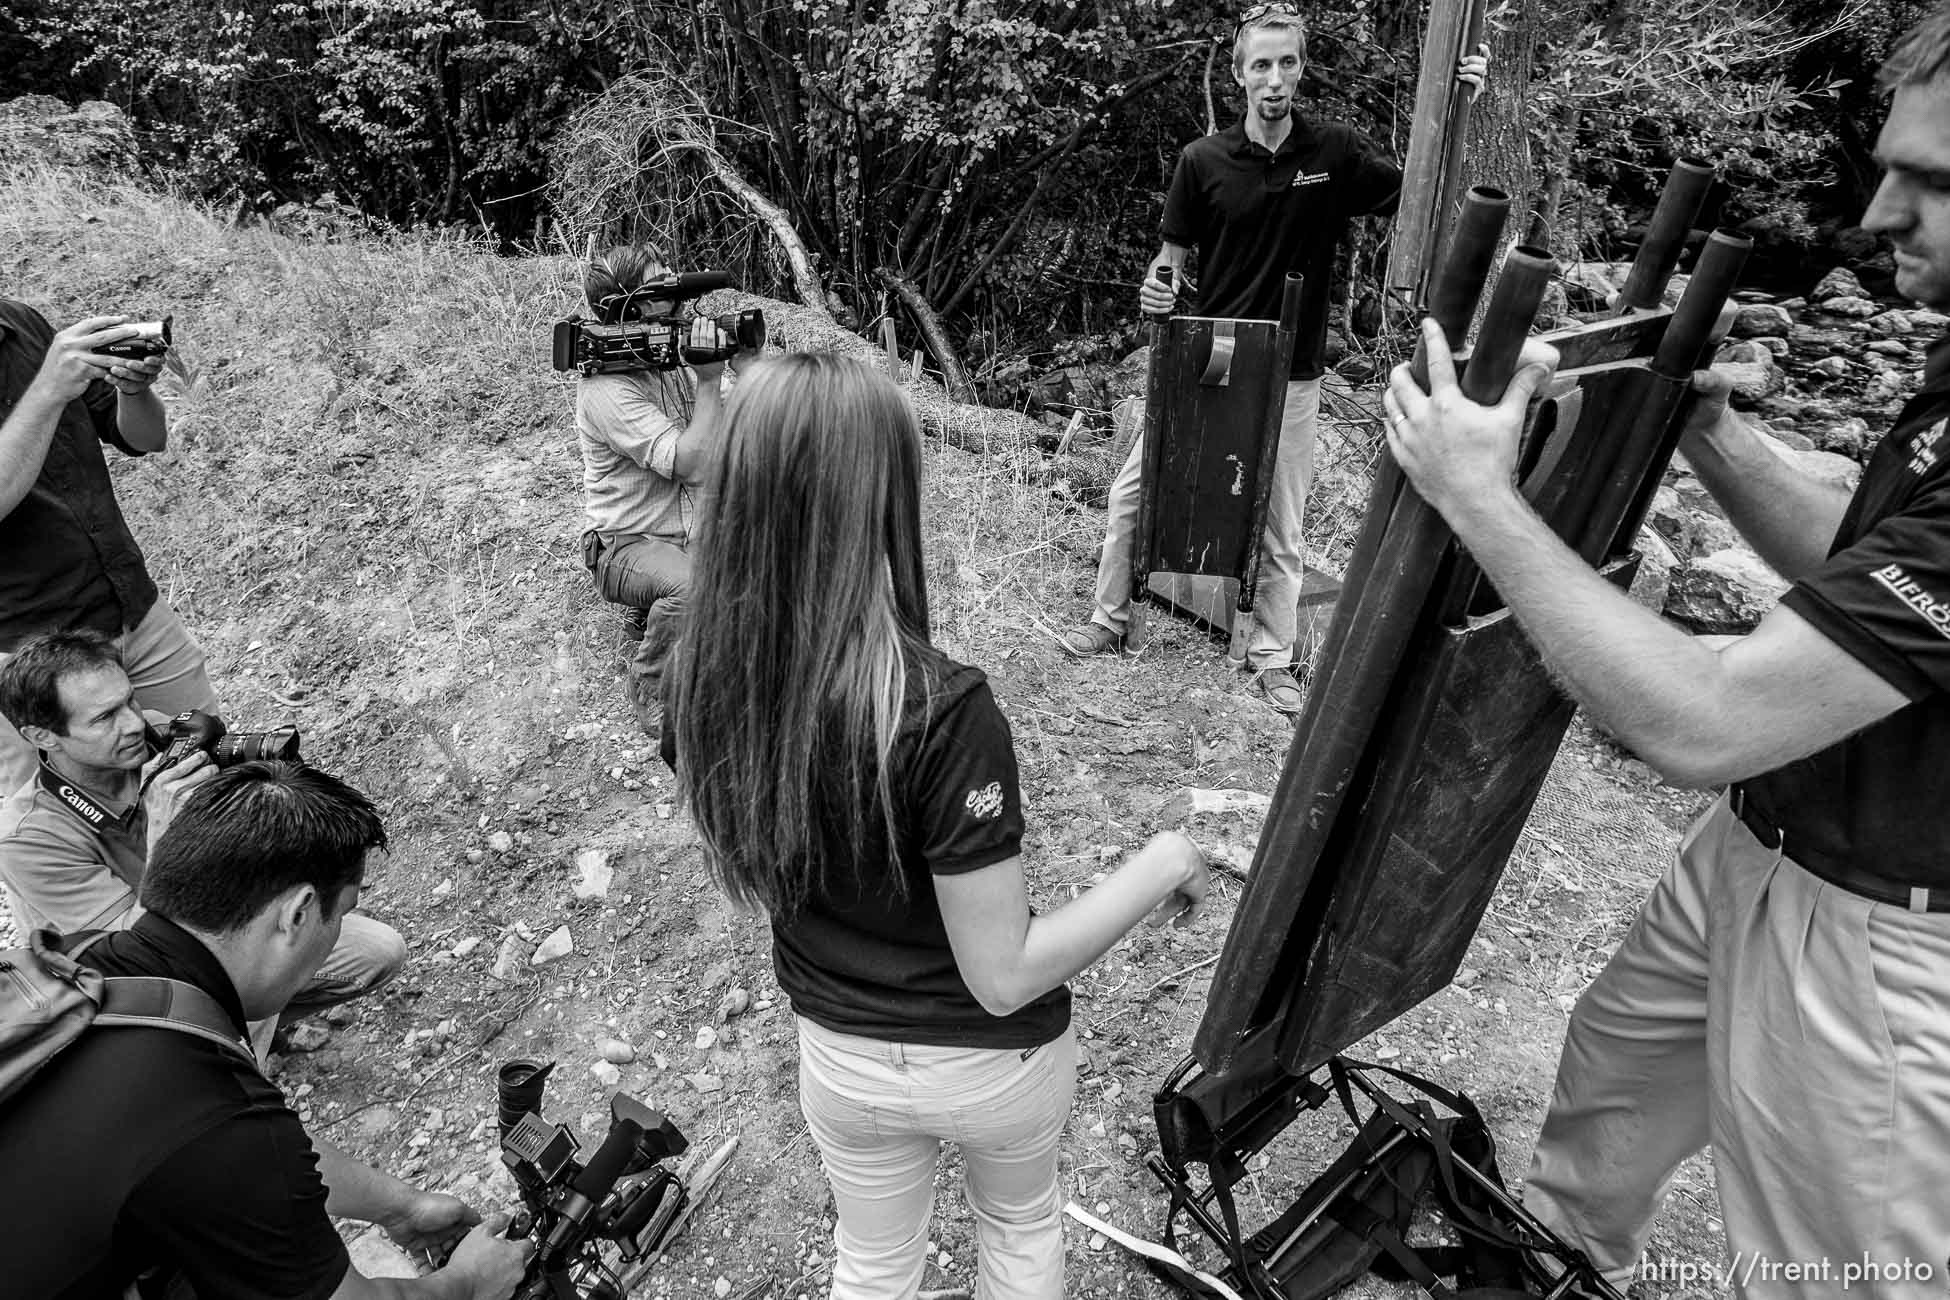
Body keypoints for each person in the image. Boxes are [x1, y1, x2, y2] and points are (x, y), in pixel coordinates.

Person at [1378, 8, 1950, 1293]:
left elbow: (1707, 720)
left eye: (1937, 183)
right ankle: (1544, 1269)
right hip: (1767, 846)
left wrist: (1482, 499)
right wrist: (1712, 438)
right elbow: (1859, 564)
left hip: (1890, 934)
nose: (1883, 213)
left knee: (1831, 1266)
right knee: (1608, 1098)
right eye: (1895, 166)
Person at [664, 353, 1212, 1299]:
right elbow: (1003, 978)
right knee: (1020, 1227)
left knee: (872, 1266)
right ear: (878, 501)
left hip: (838, 1056)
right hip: (993, 1068)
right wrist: (1163, 861)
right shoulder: (942, 711)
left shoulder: (699, 678)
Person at [1059, 5, 1486, 715]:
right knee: (1133, 495)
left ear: (1301, 68)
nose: (1275, 77)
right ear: (1239, 75)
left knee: (1282, 522)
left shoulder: (1333, 155)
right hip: (1212, 362)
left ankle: (1272, 660)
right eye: (1262, 64)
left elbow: (1425, 197)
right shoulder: (1203, 162)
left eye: (1287, 62)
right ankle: (1108, 621)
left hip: (1293, 372)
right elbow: (1165, 270)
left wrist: (1462, 100)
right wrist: (1156, 296)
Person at [0, 760, 532, 1299]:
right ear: (298, 913)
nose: (338, 933)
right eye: (341, 913)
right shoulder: (209, 1107)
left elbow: (234, 1161)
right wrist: (469, 1281)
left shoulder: (82, 964)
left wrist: (400, 1206)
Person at [0, 629, 406, 1046]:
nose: (134, 723)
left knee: (376, 953)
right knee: (233, 988)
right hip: (135, 983)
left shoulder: (159, 737)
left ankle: (248, 1024)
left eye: (129, 700)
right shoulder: (27, 838)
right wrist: (161, 829)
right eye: (105, 718)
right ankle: (211, 1049)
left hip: (222, 921)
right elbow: (135, 954)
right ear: (41, 736)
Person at [0, 299, 219, 794]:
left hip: (131, 610)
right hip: (27, 657)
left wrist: (134, 390)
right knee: (81, 823)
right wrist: (50, 390)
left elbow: (145, 438)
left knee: (211, 770)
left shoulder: (19, 323)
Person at [576, 245, 751, 738]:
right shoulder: (606, 390)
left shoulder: (668, 355)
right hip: (625, 544)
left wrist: (745, 363)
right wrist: (709, 380)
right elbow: (694, 466)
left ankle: (654, 609)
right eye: (661, 290)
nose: (675, 299)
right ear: (628, 307)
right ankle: (653, 686)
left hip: (692, 529)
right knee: (699, 589)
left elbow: (752, 409)